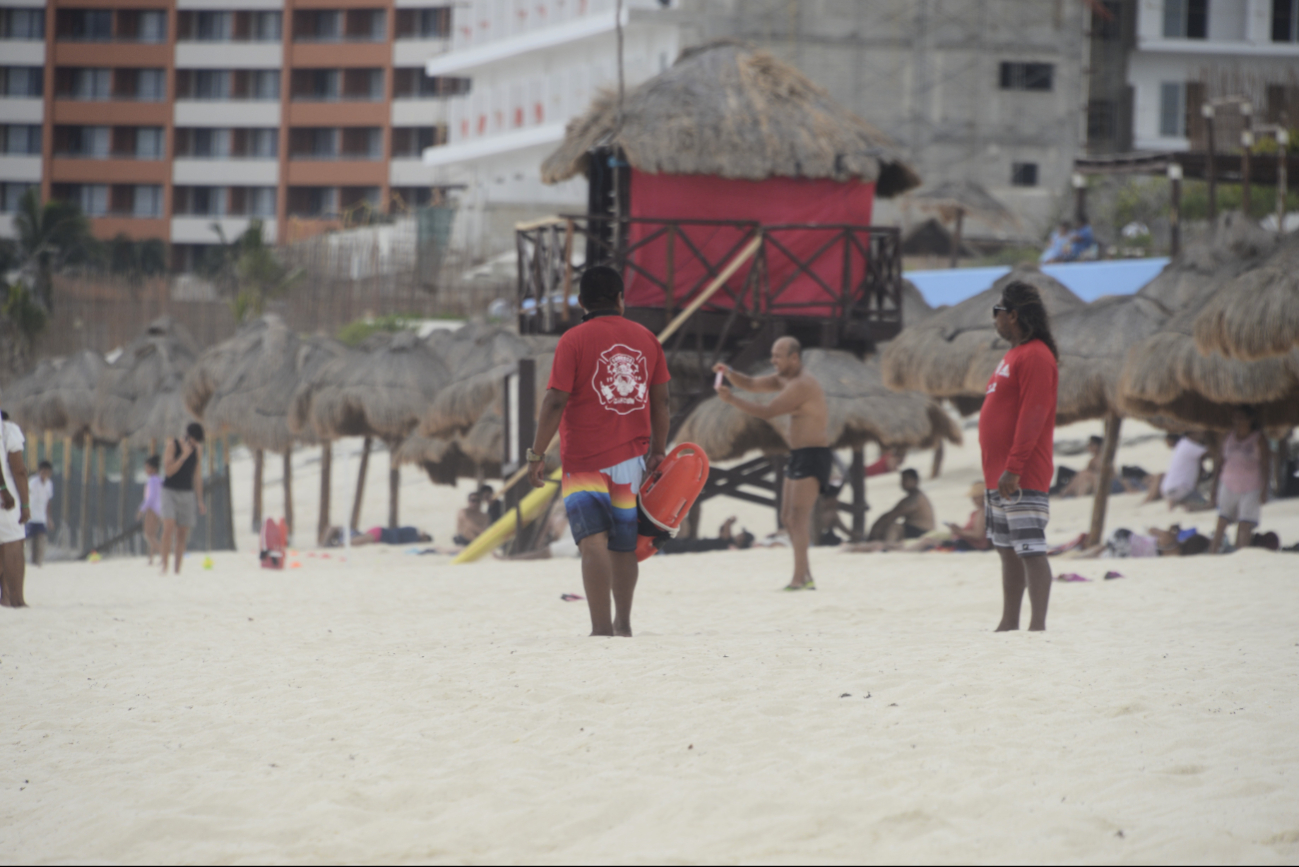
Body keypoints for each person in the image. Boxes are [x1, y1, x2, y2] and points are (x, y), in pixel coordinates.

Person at [528, 265, 671, 637]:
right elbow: (663, 401)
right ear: (621, 299)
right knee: (623, 545)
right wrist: (659, 450)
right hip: (630, 459)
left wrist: (537, 454)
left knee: (593, 541)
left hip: (584, 460)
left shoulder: (573, 340)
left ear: (581, 301)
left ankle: (600, 629)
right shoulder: (647, 339)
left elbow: (555, 400)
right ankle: (624, 626)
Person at [714, 336, 830, 591]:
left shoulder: (802, 384)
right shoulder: (785, 378)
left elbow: (768, 411)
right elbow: (753, 384)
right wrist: (729, 372)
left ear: (794, 358)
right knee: (787, 517)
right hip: (799, 454)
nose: (772, 360)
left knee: (798, 518)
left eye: (778, 356)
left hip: (814, 455)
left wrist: (732, 400)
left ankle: (800, 578)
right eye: (772, 355)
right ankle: (805, 574)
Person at [982, 282, 1059, 632]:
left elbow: (1034, 415)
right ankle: (1009, 620)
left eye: (997, 312)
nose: (994, 320)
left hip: (1021, 474)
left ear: (1012, 315)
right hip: (997, 473)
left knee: (1029, 548)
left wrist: (1013, 468)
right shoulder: (1012, 355)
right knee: (1006, 548)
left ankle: (1037, 625)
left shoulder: (1037, 355)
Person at [1211, 406, 1270, 554]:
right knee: (1222, 520)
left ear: (1250, 420)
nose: (1237, 421)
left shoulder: (1258, 438)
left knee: (1245, 524)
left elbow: (1265, 465)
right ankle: (1212, 553)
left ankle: (1241, 554)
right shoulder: (1228, 436)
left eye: (1241, 418)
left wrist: (1265, 490)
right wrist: (1213, 487)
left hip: (1252, 485)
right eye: (1235, 418)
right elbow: (1219, 462)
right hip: (1228, 483)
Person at [159, 422, 206, 576]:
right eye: (193, 440)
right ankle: (164, 566)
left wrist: (200, 500)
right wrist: (183, 456)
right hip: (169, 491)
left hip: (187, 493)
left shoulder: (198, 449)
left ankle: (177, 570)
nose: (195, 444)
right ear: (187, 436)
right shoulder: (172, 445)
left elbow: (197, 475)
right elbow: (169, 471)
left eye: (197, 441)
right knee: (168, 527)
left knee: (182, 533)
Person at [0, 411, 29, 607]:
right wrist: (25, 504)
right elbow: (18, 470)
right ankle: (16, 599)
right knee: (13, 542)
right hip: (5, 496)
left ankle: (5, 597)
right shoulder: (8, 430)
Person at [868, 469, 935, 542]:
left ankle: (888, 547)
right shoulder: (914, 496)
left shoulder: (915, 498)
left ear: (915, 481)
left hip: (922, 532)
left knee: (894, 527)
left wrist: (876, 531)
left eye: (906, 479)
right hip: (916, 530)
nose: (903, 483)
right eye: (902, 480)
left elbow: (891, 515)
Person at [1159, 432, 1211, 510]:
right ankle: (1187, 505)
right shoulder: (1189, 445)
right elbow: (1210, 453)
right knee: (1205, 503)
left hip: (1167, 489)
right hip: (1181, 489)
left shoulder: (1181, 446)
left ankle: (1178, 504)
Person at [27, 460, 53, 566]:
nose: (44, 474)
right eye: (42, 471)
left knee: (41, 540)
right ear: (39, 471)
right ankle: (30, 562)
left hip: (41, 517)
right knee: (29, 541)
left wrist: (49, 518)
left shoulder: (49, 484)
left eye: (46, 472)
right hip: (30, 516)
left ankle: (38, 563)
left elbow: (48, 502)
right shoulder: (32, 482)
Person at [138, 454, 163, 565]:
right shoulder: (160, 480)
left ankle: (163, 553)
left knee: (148, 535)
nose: (146, 470)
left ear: (154, 469)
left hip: (152, 509)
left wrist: (142, 509)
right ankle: (151, 558)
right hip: (160, 510)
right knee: (153, 535)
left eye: (148, 467)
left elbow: (150, 498)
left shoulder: (152, 480)